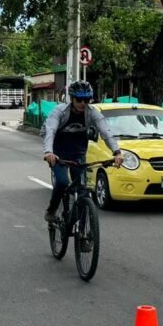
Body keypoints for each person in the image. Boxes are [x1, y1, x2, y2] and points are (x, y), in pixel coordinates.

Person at [42, 80, 124, 222]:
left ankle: (82, 230)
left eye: (86, 100)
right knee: (62, 182)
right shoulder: (60, 111)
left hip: (78, 152)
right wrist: (48, 152)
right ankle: (51, 210)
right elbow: (50, 130)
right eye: (79, 99)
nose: (83, 103)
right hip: (58, 152)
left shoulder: (92, 113)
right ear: (72, 99)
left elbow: (105, 131)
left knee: (82, 189)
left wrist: (117, 152)